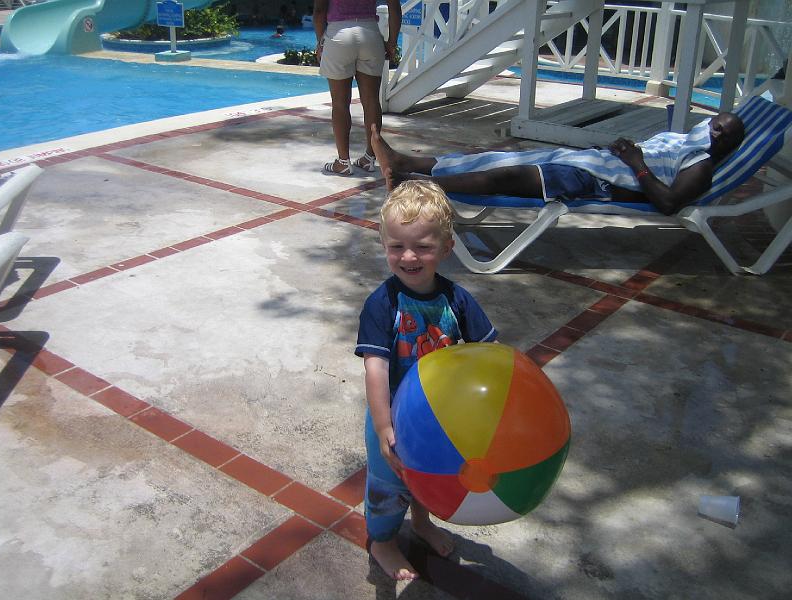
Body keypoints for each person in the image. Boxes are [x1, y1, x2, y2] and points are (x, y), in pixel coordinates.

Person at [355, 180, 498, 580]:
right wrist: (383, 425)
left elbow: (488, 356)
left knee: (427, 479)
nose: (409, 256)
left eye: (423, 246)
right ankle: (382, 542)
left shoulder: (457, 300)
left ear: (447, 248)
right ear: (384, 245)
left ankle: (421, 523)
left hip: (440, 420)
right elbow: (376, 368)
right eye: (397, 246)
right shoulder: (382, 304)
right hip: (394, 420)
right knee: (388, 486)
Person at [370, 112, 745, 215]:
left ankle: (409, 183)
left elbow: (667, 203)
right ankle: (408, 161)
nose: (714, 133)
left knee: (509, 176)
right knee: (500, 158)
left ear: (728, 146)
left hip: (592, 181)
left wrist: (635, 161)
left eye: (724, 134)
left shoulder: (701, 165)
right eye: (716, 125)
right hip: (593, 162)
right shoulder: (683, 141)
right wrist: (623, 151)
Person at [315, 0, 402, 176]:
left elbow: (319, 11)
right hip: (369, 33)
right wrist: (392, 43)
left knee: (340, 103)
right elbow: (395, 8)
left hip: (338, 35)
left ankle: (343, 161)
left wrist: (320, 42)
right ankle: (370, 158)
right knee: (371, 102)